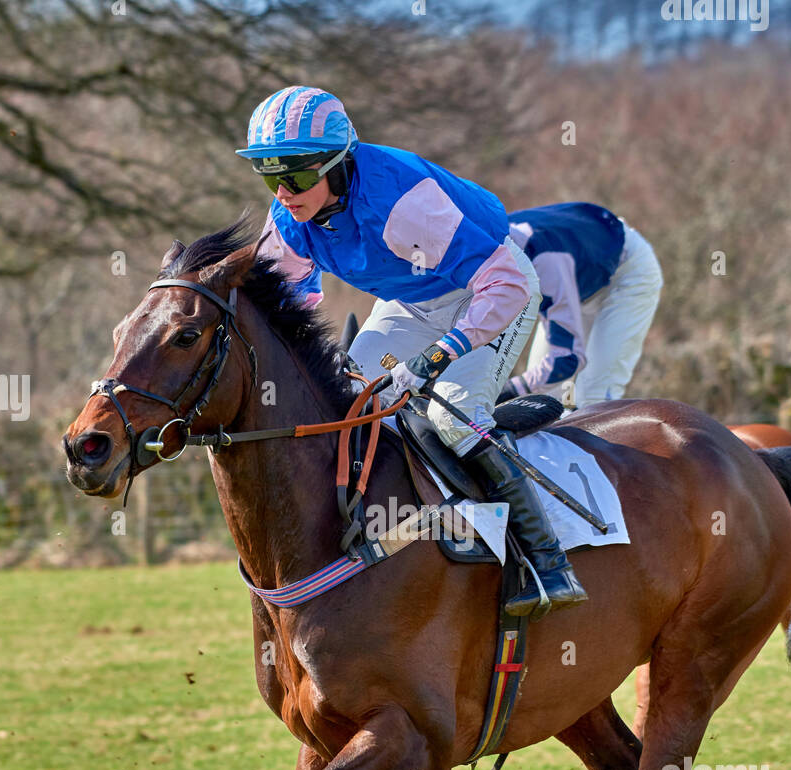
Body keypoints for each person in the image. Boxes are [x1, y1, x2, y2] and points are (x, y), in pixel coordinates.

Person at [238, 86, 586, 615]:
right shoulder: (289, 218)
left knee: (452, 412)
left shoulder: (402, 204)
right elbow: (289, 308)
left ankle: (544, 559)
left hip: (492, 291)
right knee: (348, 399)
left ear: (337, 164)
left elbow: (509, 283)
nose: (284, 191)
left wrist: (444, 353)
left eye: (298, 174)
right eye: (270, 174)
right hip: (412, 303)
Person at [498, 202, 663, 411]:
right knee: (538, 402)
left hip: (626, 273)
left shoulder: (544, 262)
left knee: (594, 396)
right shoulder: (481, 251)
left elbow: (566, 359)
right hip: (579, 270)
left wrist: (510, 390)